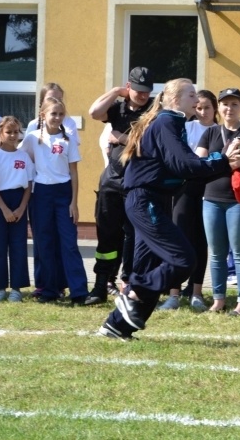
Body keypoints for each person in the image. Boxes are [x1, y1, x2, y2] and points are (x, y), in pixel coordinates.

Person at [98, 79, 240, 340]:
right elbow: (184, 165)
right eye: (191, 94)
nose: (197, 99)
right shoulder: (167, 122)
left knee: (148, 267)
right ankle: (131, 294)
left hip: (150, 201)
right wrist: (223, 160)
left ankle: (116, 326)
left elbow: (184, 169)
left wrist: (224, 162)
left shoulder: (172, 122)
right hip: (146, 201)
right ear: (176, 100)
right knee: (183, 260)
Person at [84, 67, 154, 305]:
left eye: (146, 91)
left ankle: (131, 285)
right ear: (128, 87)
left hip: (138, 183)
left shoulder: (155, 110)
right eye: (137, 90)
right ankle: (101, 284)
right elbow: (94, 112)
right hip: (112, 183)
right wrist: (115, 91)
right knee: (107, 237)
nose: (142, 95)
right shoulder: (118, 107)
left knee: (135, 237)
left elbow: (151, 147)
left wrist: (121, 138)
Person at [20, 97, 88, 304]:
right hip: (40, 194)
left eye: (60, 114)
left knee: (68, 243)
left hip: (63, 194)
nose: (57, 118)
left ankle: (79, 291)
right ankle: (50, 290)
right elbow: (26, 159)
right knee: (44, 243)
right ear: (43, 116)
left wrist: (74, 203)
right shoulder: (32, 138)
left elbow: (74, 173)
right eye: (53, 114)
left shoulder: (67, 140)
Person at [198, 88, 240, 316]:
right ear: (219, 107)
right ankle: (218, 300)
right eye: (225, 104)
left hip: (239, 201)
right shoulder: (211, 132)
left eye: (234, 104)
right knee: (216, 253)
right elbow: (199, 162)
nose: (229, 108)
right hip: (211, 200)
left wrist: (218, 162)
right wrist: (222, 160)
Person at [158, 89, 218, 311]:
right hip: (184, 189)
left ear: (215, 109)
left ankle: (196, 292)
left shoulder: (218, 132)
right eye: (198, 107)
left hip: (208, 190)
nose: (202, 112)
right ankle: (174, 294)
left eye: (207, 108)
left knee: (200, 241)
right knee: (178, 237)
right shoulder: (186, 127)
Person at [0, 116, 34, 303]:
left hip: (19, 202)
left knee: (18, 245)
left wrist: (22, 208)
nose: (13, 135)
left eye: (16, 132)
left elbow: (29, 185)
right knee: (0, 245)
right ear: (0, 134)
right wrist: (4, 209)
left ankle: (16, 287)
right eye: (9, 132)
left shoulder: (23, 156)